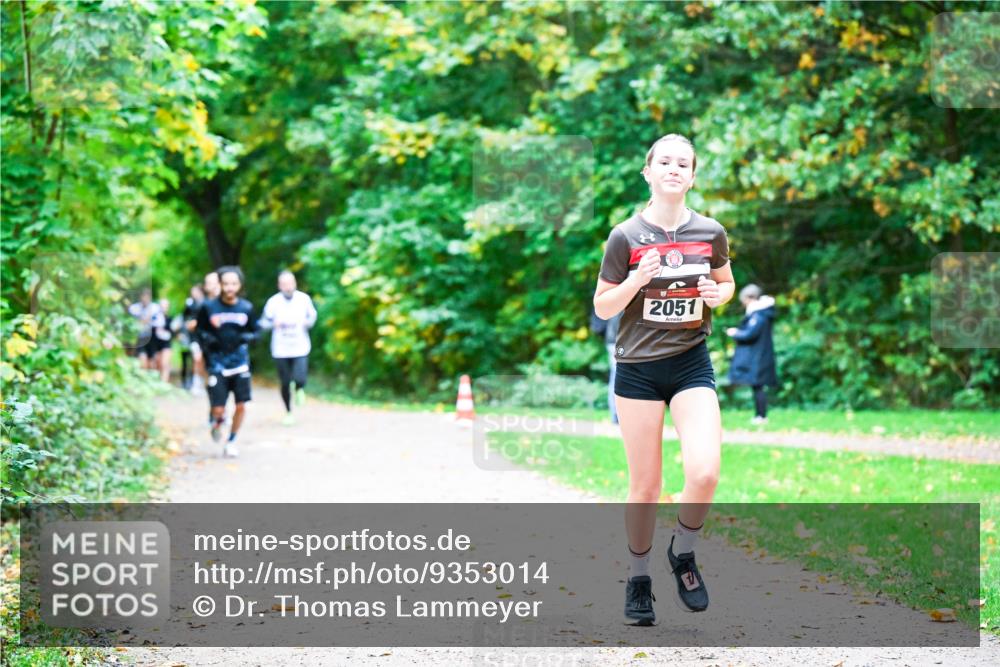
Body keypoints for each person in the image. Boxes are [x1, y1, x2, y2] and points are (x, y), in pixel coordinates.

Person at [593, 133, 734, 625]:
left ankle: (684, 551)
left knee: (705, 472)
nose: (674, 169)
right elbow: (603, 304)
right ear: (648, 172)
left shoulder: (711, 231)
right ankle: (638, 579)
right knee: (646, 485)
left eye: (684, 163)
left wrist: (719, 297)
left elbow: (726, 281)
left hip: (691, 362)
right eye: (665, 161)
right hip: (638, 369)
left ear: (693, 176)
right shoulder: (624, 235)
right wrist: (635, 280)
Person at [195, 266, 258, 458]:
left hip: (240, 363)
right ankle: (217, 421)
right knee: (218, 408)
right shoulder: (208, 307)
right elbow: (199, 330)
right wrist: (208, 340)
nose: (230, 287)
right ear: (220, 285)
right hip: (217, 364)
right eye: (226, 283)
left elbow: (256, 331)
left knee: (241, 405)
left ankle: (231, 440)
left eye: (234, 283)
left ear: (239, 285)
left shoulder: (246, 308)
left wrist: (247, 338)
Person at [258, 270, 317, 426]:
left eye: (290, 283)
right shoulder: (273, 302)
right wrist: (272, 324)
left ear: (295, 283)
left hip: (300, 346)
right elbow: (263, 323)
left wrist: (307, 323)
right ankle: (288, 412)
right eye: (284, 284)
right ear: (279, 286)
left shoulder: (304, 299)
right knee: (284, 382)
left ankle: (299, 388)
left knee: (300, 378)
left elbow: (312, 316)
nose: (288, 287)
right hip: (280, 349)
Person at [726, 284, 777, 425]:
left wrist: (735, 333)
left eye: (744, 300)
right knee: (757, 387)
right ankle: (759, 415)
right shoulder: (760, 313)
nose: (743, 303)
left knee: (758, 386)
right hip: (758, 356)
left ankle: (761, 416)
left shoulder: (759, 315)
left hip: (759, 357)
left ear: (750, 298)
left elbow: (750, 334)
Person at [127, 288, 161, 371]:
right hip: (140, 338)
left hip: (152, 338)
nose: (145, 299)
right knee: (142, 360)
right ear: (140, 297)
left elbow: (158, 323)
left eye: (147, 297)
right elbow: (133, 322)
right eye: (143, 297)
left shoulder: (155, 307)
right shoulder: (134, 308)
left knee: (151, 362)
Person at [179, 285, 205, 390]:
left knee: (203, 360)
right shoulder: (190, 304)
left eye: (195, 291)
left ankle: (202, 381)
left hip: (205, 336)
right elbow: (184, 318)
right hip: (193, 337)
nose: (193, 294)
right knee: (196, 358)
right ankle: (195, 382)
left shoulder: (206, 303)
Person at [153, 297, 174, 383]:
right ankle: (158, 382)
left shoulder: (170, 319)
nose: (163, 308)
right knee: (157, 364)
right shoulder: (154, 318)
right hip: (156, 343)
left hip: (166, 343)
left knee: (164, 363)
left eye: (165, 306)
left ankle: (164, 383)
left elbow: (173, 332)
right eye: (162, 306)